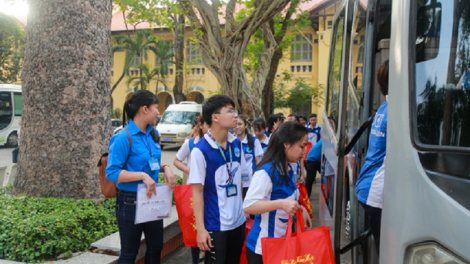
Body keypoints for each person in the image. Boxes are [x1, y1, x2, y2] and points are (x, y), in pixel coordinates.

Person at [106, 90, 177, 264]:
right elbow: (112, 172)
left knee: (156, 247)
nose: (158, 112)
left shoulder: (153, 134)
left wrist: (165, 167)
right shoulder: (123, 137)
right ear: (144, 109)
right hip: (130, 201)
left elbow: (150, 163)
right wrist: (142, 175)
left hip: (153, 198)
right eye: (156, 107)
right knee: (130, 254)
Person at [188, 95, 249, 264]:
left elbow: (241, 179)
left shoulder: (236, 144)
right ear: (215, 117)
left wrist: (243, 208)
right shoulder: (200, 150)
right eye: (230, 111)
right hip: (216, 225)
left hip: (238, 222)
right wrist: (201, 229)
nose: (235, 115)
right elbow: (197, 192)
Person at [243, 122, 313, 264]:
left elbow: (287, 197)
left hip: (281, 245)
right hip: (263, 250)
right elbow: (248, 206)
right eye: (301, 146)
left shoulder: (288, 168)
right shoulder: (266, 172)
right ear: (286, 144)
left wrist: (301, 208)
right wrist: (281, 204)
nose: (304, 151)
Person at [355, 60, 389, 256]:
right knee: (386, 249)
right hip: (375, 191)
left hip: (367, 186)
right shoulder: (396, 111)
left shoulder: (384, 107)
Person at [173, 115, 209, 264]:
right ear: (200, 125)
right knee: (194, 226)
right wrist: (190, 171)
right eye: (208, 124)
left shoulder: (216, 143)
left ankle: (206, 254)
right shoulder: (190, 144)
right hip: (193, 192)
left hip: (210, 192)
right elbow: (176, 160)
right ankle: (195, 258)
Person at [234, 115, 264, 198]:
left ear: (245, 125)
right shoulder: (232, 142)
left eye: (240, 124)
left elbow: (258, 161)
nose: (237, 127)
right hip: (236, 182)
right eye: (235, 125)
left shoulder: (254, 141)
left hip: (251, 182)